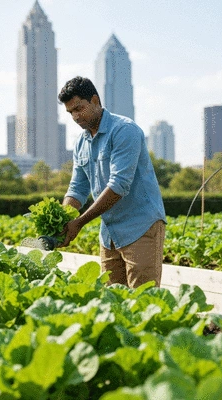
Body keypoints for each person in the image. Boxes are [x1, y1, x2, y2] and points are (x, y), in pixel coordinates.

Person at [57, 76, 167, 289]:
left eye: (79, 108)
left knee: (143, 299)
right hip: (110, 233)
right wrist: (62, 219)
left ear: (95, 100)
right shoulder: (81, 142)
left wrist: (78, 223)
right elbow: (77, 188)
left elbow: (119, 185)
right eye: (71, 112)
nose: (76, 116)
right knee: (111, 299)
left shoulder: (124, 130)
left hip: (140, 226)